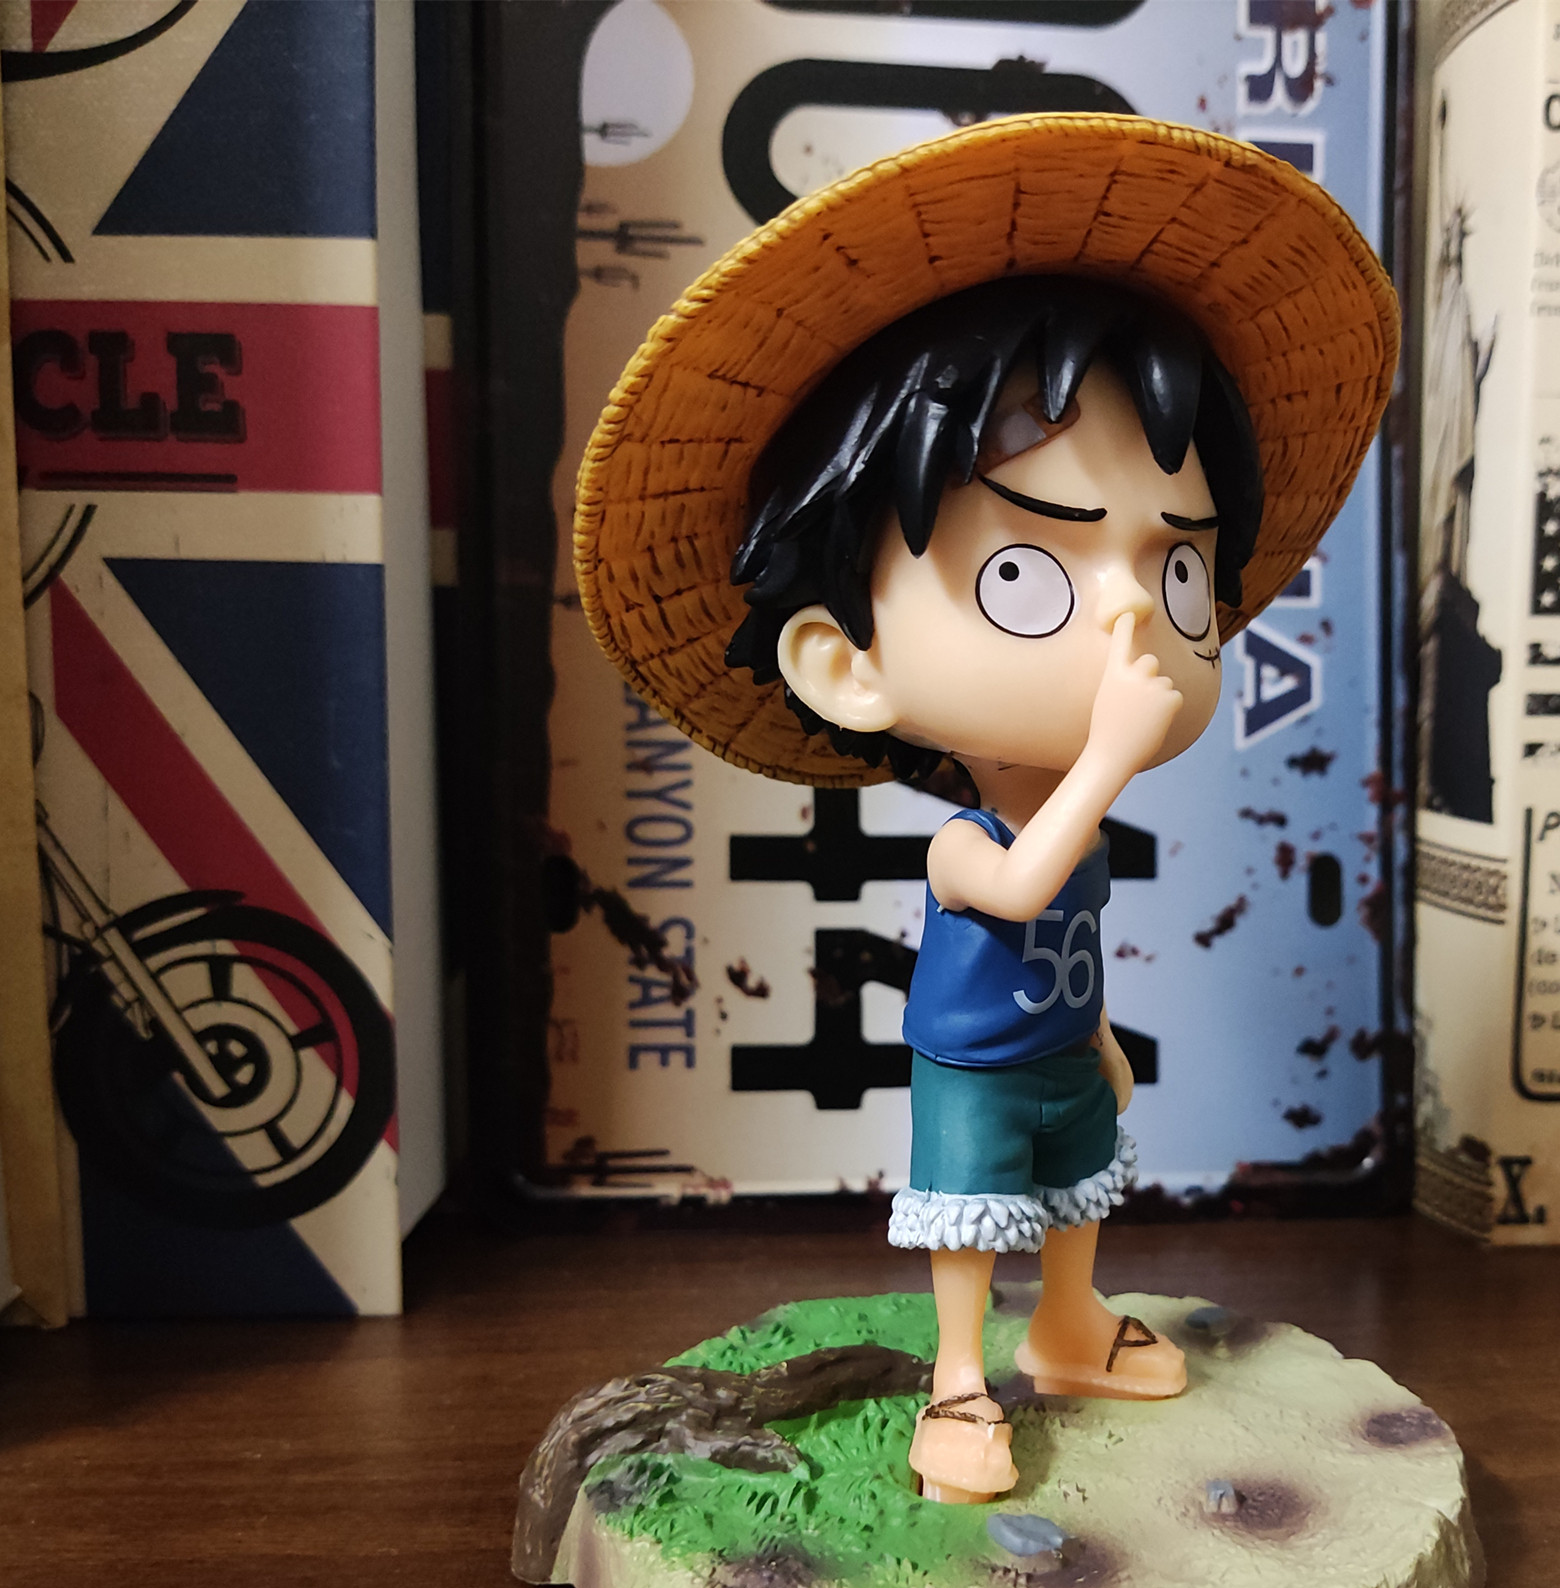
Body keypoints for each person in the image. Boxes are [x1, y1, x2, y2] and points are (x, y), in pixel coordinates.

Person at [574, 112, 1396, 1504]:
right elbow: (1019, 893)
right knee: (971, 1224)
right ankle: (961, 1377)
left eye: (1181, 574)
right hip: (971, 1073)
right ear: (846, 665)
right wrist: (1109, 753)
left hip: (1064, 1053)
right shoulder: (970, 842)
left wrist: (1104, 1042)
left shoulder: (1077, 822)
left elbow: (1072, 931)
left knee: (1077, 1192)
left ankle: (1068, 1326)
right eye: (1031, 577)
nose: (1139, 616)